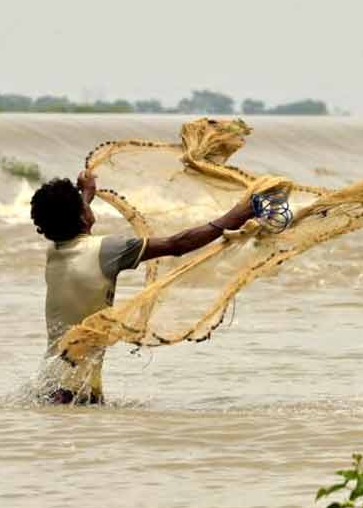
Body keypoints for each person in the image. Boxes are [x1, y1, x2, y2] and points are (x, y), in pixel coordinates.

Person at [29, 169, 255, 405]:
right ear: (83, 217)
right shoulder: (108, 250)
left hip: (50, 383)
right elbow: (178, 244)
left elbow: (73, 226)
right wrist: (237, 216)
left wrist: (86, 194)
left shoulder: (55, 250)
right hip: (73, 392)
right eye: (84, 206)